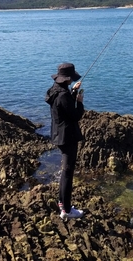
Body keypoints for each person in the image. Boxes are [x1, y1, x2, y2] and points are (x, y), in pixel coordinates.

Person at [45, 62, 85, 221]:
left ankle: (62, 203)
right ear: (67, 78)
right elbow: (75, 115)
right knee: (68, 173)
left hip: (57, 134)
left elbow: (64, 105)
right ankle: (67, 210)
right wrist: (80, 101)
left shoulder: (55, 90)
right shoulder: (63, 95)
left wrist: (73, 92)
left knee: (65, 172)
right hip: (67, 137)